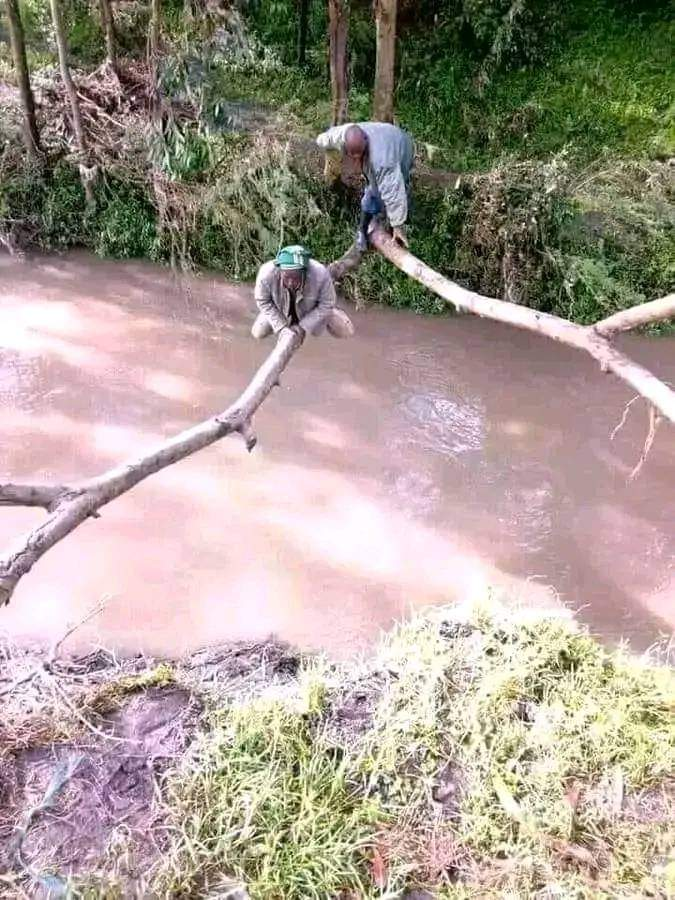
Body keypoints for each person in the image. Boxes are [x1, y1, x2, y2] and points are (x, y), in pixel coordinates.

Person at [316, 121, 414, 251]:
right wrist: (321, 142)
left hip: (402, 144)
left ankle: (392, 222)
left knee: (388, 186)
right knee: (374, 186)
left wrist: (397, 225)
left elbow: (393, 191)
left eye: (360, 156)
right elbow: (326, 138)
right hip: (384, 133)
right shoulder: (342, 134)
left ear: (365, 141)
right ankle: (362, 230)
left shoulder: (383, 161)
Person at [251, 245, 354, 340]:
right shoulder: (266, 273)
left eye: (295, 277)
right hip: (280, 307)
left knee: (345, 331)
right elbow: (263, 301)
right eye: (287, 277)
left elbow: (327, 303)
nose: (291, 282)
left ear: (305, 272)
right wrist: (281, 327)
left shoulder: (320, 274)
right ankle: (278, 319)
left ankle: (332, 313)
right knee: (258, 332)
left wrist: (303, 326)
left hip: (312, 308)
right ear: (280, 271)